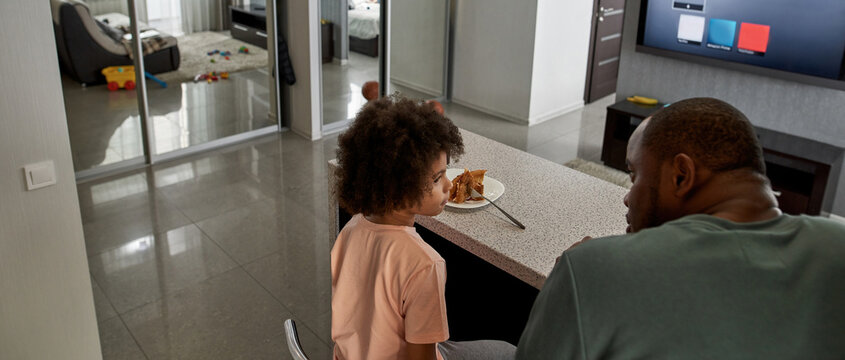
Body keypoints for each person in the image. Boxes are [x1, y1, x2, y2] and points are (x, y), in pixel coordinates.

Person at [516, 97, 845, 359]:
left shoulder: (591, 268)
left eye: (634, 176)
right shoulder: (835, 246)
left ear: (681, 176)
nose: (628, 198)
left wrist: (569, 282)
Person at [332, 96, 516, 360]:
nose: (449, 186)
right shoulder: (424, 264)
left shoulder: (350, 228)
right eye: (437, 178)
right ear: (400, 186)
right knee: (510, 353)